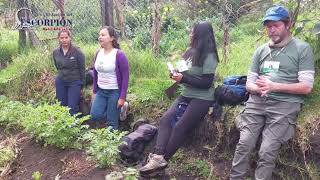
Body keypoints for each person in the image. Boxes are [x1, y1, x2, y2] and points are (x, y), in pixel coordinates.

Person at [230, 5, 315, 180]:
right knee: (244, 144)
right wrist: (258, 88)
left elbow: (306, 87)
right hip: (257, 102)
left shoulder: (302, 48)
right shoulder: (261, 50)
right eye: (268, 26)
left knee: (267, 150)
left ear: (288, 24)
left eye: (276, 25)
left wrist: (274, 86)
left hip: (284, 105)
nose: (271, 30)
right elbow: (249, 84)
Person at [139, 21, 219, 176]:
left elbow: (207, 83)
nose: (190, 34)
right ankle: (157, 157)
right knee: (166, 119)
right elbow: (185, 73)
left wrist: (183, 79)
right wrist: (175, 74)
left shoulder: (210, 56)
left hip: (203, 97)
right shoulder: (190, 51)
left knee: (180, 127)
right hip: (187, 93)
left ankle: (159, 164)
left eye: (193, 31)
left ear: (200, 35)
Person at [90, 26, 129, 130]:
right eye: (99, 35)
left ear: (111, 38)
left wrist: (122, 97)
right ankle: (118, 110)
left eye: (103, 35)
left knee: (112, 122)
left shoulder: (119, 55)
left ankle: (112, 141)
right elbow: (95, 72)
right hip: (101, 91)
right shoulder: (98, 53)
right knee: (95, 115)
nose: (100, 37)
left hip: (114, 91)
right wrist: (94, 91)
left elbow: (125, 77)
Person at [53, 30, 85, 115]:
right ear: (58, 39)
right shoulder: (55, 52)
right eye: (62, 38)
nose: (64, 40)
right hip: (61, 81)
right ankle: (64, 126)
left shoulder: (77, 51)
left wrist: (82, 84)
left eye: (66, 37)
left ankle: (75, 127)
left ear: (70, 38)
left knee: (72, 107)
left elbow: (82, 69)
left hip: (74, 81)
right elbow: (57, 66)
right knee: (61, 106)